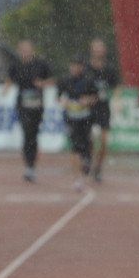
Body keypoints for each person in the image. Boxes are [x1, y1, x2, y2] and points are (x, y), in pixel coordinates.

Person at [3, 40, 53, 182]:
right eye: (22, 50)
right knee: (27, 132)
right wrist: (5, 88)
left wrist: (42, 83)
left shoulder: (41, 64)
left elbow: (52, 80)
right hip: (22, 105)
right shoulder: (16, 65)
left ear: (32, 50)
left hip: (37, 105)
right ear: (19, 51)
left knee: (33, 134)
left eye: (27, 49)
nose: (25, 52)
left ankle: (32, 165)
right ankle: (29, 166)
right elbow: (9, 79)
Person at [56, 56, 98, 193]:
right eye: (73, 65)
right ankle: (77, 178)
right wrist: (64, 102)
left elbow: (96, 97)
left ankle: (87, 161)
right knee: (75, 147)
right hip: (71, 118)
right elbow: (58, 97)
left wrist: (87, 100)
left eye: (77, 66)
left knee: (87, 145)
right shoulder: (65, 81)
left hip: (86, 118)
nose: (75, 68)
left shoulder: (89, 80)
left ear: (82, 67)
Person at [85, 38, 120, 182]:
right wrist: (85, 98)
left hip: (103, 108)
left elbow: (116, 86)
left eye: (101, 49)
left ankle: (98, 168)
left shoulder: (109, 69)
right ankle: (88, 161)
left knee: (104, 140)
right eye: (96, 48)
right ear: (91, 50)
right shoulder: (86, 68)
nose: (99, 51)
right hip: (88, 109)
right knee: (89, 139)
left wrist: (117, 99)